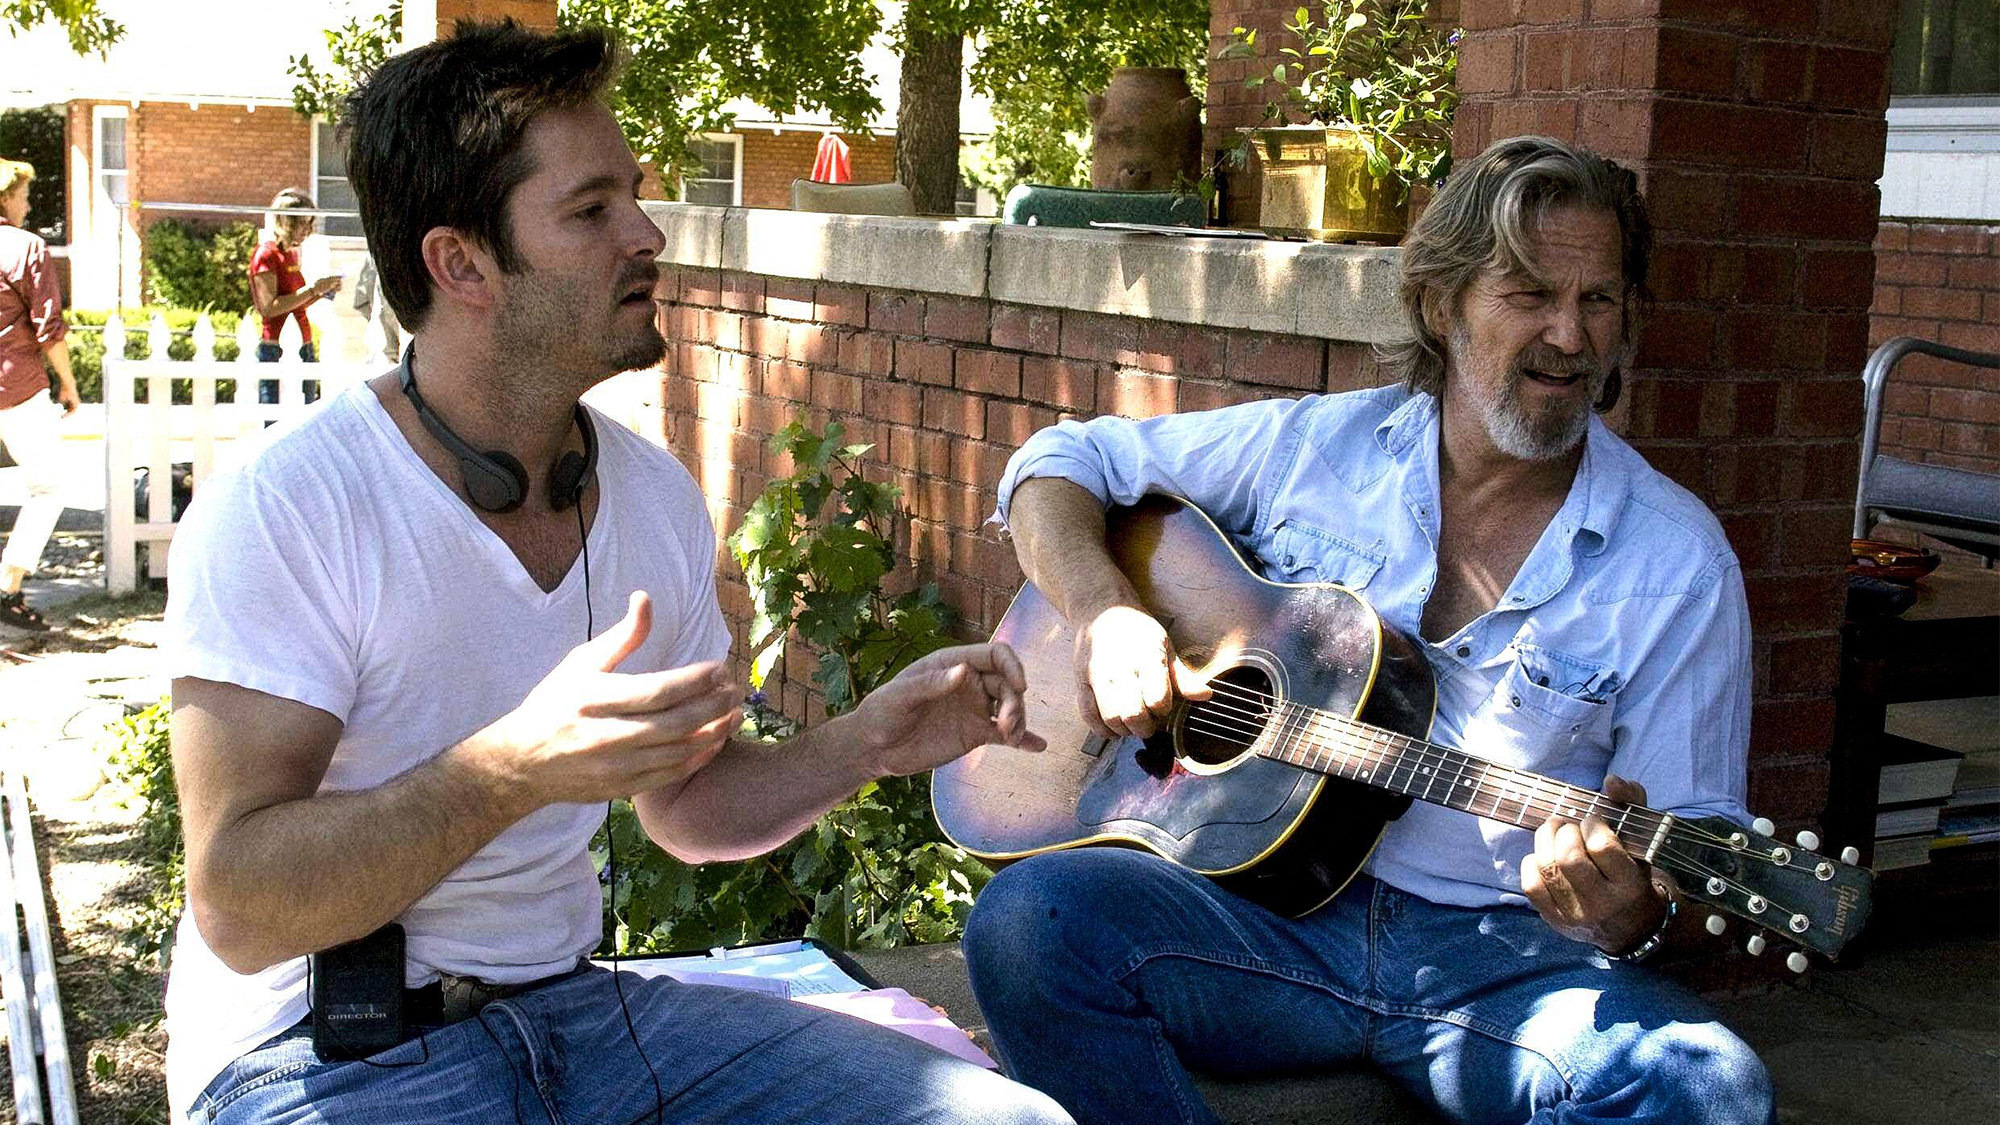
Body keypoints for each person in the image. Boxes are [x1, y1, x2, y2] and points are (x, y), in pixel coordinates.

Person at [164, 20, 1070, 1125]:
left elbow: (684, 810)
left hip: (583, 1021)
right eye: (590, 211)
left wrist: (869, 739)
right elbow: (240, 904)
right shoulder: (292, 503)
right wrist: (511, 769)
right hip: (326, 1055)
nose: (645, 232)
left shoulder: (648, 495)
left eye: (631, 196)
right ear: (460, 263)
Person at [961, 135, 1775, 1125]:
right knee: (1028, 925)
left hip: (1501, 965)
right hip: (1259, 922)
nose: (1570, 336)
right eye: (1528, 294)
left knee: (1706, 1088)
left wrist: (1629, 915)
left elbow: (1686, 853)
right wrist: (1106, 616)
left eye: (1596, 299)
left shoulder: (1675, 563)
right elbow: (1057, 463)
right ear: (1442, 304)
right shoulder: (1312, 450)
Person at [0, 158, 80, 633]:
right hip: (17, 385)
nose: (29, 205)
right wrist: (68, 383)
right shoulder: (26, 247)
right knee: (48, 488)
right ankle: (7, 587)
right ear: (6, 197)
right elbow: (48, 328)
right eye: (25, 196)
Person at [247, 187, 340, 403]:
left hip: (303, 346)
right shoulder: (267, 254)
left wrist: (323, 291)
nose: (308, 229)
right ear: (285, 221)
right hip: (275, 350)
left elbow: (295, 304)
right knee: (276, 423)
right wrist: (314, 289)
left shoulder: (291, 253)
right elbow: (269, 307)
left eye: (310, 222)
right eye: (303, 222)